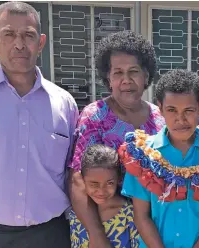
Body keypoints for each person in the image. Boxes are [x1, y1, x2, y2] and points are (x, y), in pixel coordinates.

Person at [0, 2, 77, 247]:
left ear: (41, 42)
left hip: (51, 235)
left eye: (28, 35)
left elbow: (71, 172)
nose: (19, 44)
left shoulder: (64, 104)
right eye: (9, 34)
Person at [119, 69, 199, 247]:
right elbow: (141, 215)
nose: (180, 119)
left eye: (189, 110)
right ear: (160, 108)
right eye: (172, 110)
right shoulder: (142, 156)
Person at [68, 30, 164, 248]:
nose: (126, 80)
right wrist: (97, 236)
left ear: (146, 76)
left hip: (151, 228)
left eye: (134, 71)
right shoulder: (95, 116)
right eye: (118, 73)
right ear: (108, 78)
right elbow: (77, 179)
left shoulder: (160, 119)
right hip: (104, 226)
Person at [68, 144, 140, 247]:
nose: (101, 191)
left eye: (109, 183)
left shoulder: (129, 214)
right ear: (83, 180)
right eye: (94, 184)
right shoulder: (77, 215)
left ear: (118, 179)